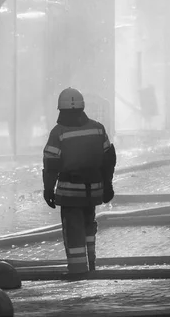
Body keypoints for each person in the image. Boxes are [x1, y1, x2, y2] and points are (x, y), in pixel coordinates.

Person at [42, 87, 117, 276]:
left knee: (74, 232)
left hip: (70, 194)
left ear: (62, 110)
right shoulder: (98, 129)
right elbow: (108, 161)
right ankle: (92, 266)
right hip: (93, 191)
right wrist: (108, 186)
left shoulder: (58, 133)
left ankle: (77, 272)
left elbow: (51, 164)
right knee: (89, 227)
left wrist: (48, 190)